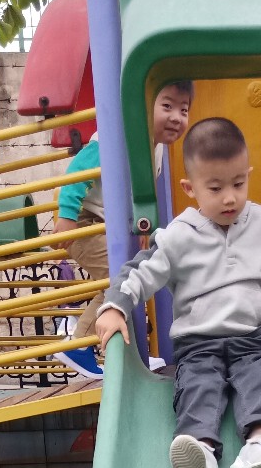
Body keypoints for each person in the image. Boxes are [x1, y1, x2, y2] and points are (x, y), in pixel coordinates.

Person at [96, 118, 261, 468]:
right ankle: (202, 453)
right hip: (198, 343)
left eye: (238, 184)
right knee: (198, 386)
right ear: (190, 188)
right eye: (215, 188)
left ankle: (260, 445)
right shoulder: (179, 236)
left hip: (252, 338)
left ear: (248, 175)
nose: (229, 198)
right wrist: (115, 307)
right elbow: (141, 272)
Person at [54, 81, 194, 380]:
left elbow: (139, 192)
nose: (176, 117)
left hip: (108, 225)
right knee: (123, 279)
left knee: (131, 278)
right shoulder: (117, 136)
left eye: (184, 110)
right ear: (141, 107)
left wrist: (142, 225)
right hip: (83, 222)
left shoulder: (156, 148)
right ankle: (79, 345)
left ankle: (123, 354)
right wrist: (66, 216)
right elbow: (79, 171)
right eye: (167, 106)